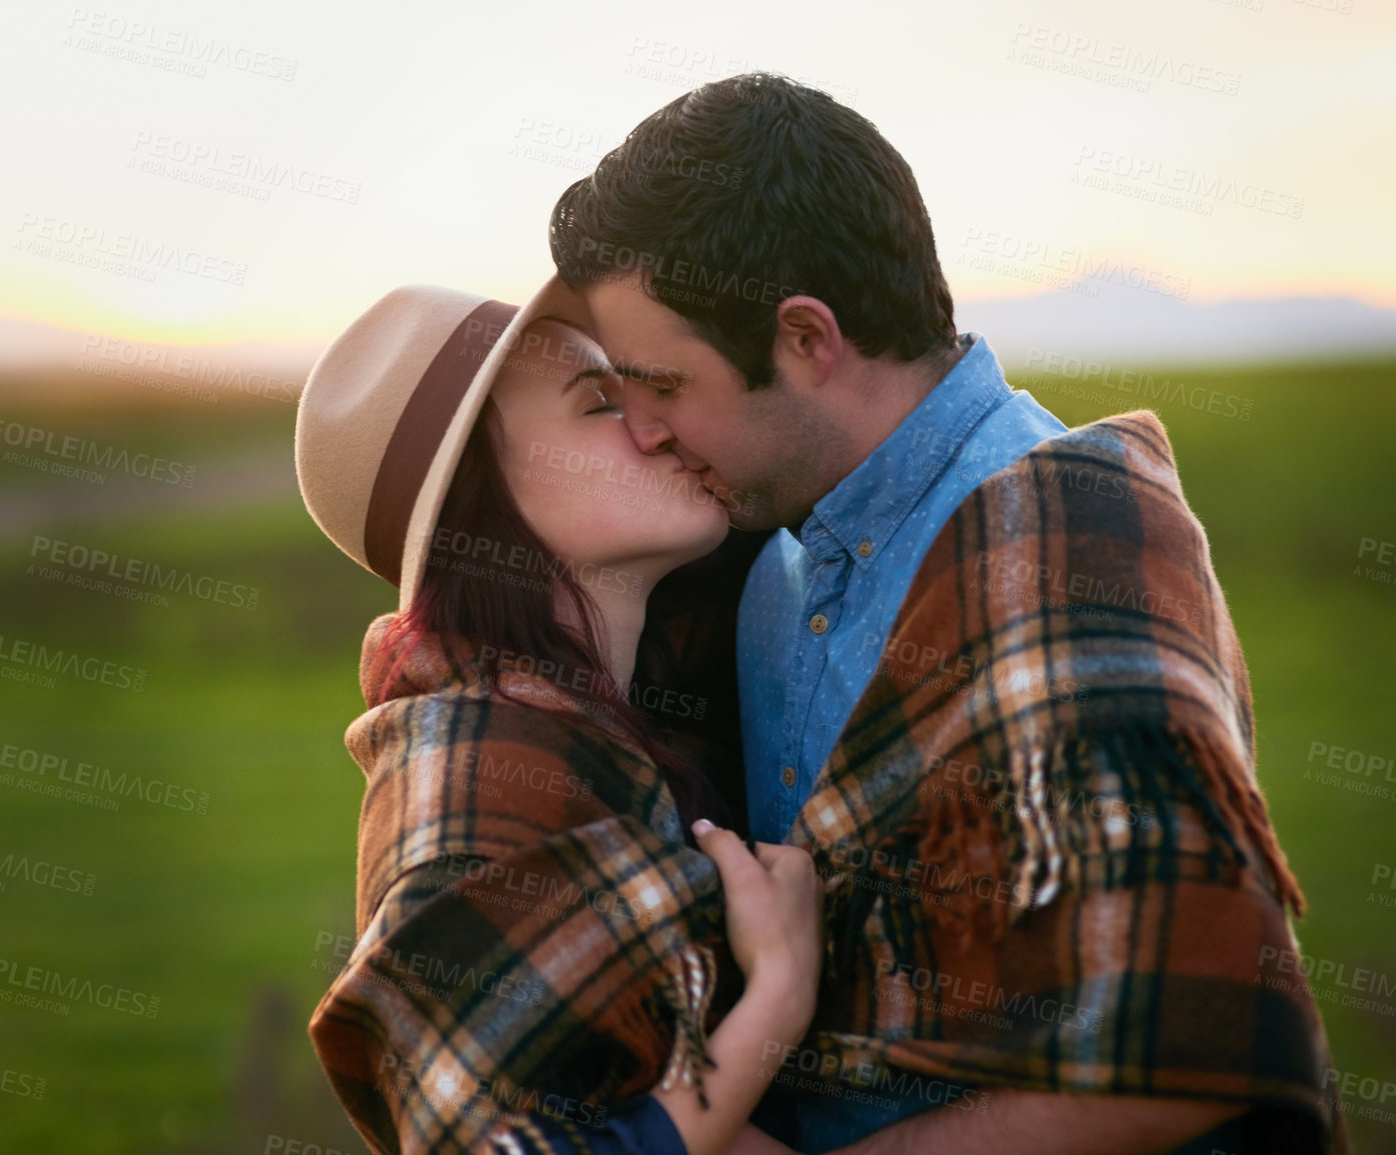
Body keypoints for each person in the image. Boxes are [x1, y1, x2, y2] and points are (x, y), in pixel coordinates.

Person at [547, 72, 1351, 1154]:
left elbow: (1188, 1057)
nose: (642, 430)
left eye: (662, 384)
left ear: (804, 340)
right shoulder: (762, 559)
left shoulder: (1071, 538)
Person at [297, 279, 822, 1154]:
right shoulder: (476, 772)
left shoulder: (618, 725)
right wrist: (778, 995)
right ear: (482, 502)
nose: (656, 424)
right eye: (597, 406)